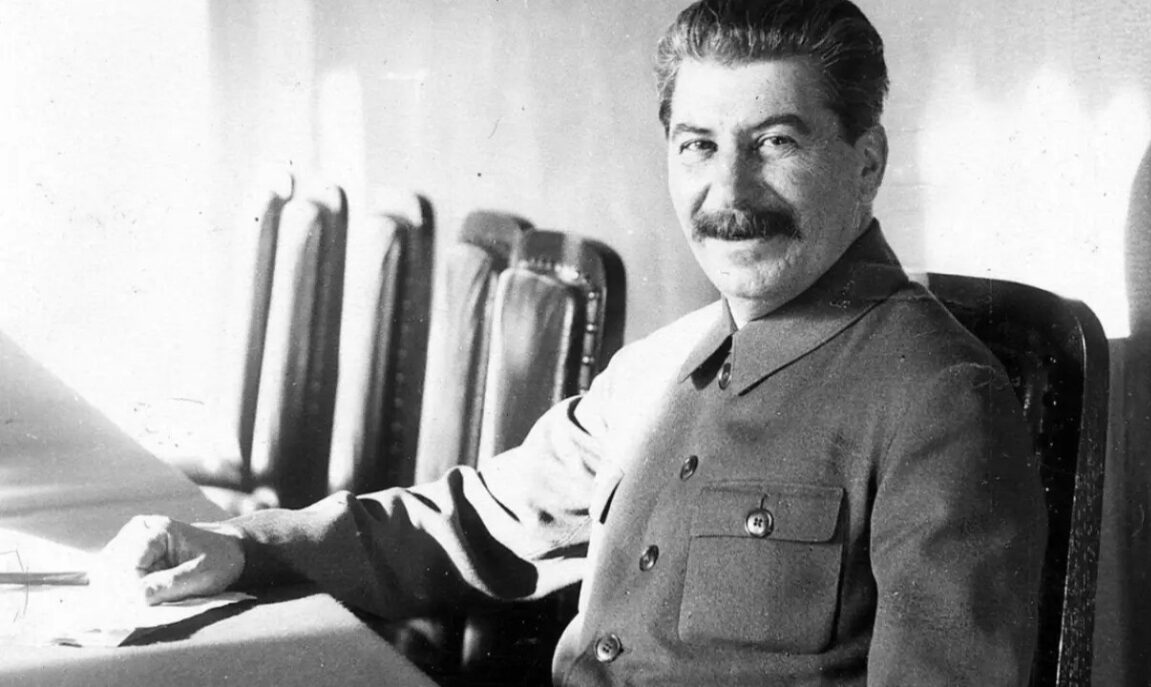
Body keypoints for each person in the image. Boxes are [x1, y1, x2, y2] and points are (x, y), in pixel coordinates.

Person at [94, 0, 1047, 684]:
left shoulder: (939, 400)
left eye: (776, 143)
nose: (730, 193)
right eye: (699, 145)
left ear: (867, 163)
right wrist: (240, 546)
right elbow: (469, 522)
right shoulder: (662, 364)